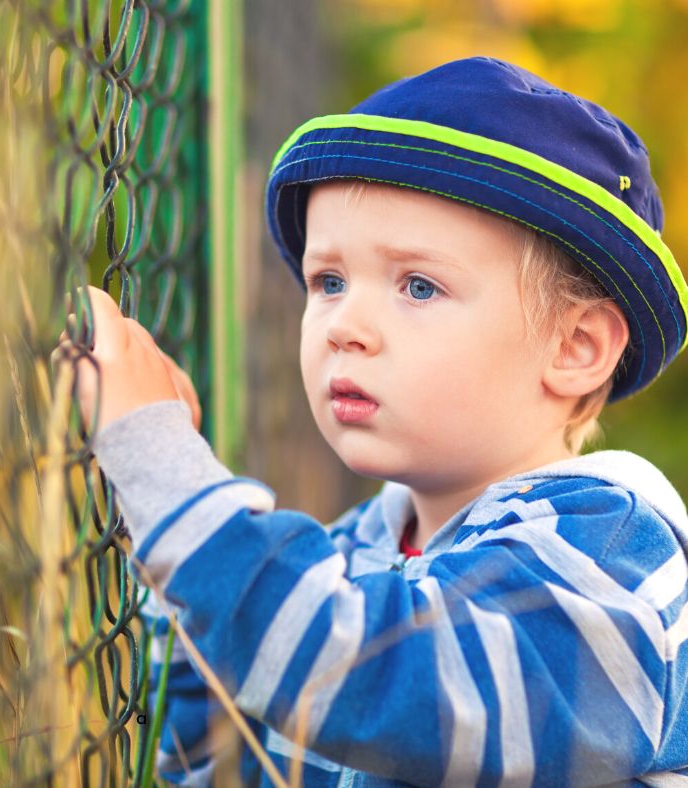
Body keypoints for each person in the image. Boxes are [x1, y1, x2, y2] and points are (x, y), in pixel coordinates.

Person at [67, 57, 688, 786]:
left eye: (418, 286)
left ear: (575, 348)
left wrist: (165, 467)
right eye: (328, 280)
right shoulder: (352, 554)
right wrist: (164, 540)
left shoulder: (611, 559)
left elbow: (401, 691)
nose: (344, 325)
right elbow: (226, 764)